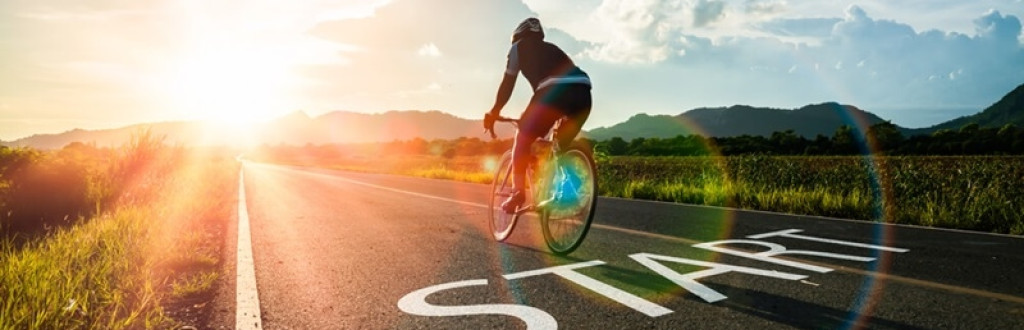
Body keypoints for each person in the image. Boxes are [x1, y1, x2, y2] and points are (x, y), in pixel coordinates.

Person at [483, 17, 592, 214]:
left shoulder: (518, 47)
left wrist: (494, 112)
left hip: (552, 91)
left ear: (518, 35)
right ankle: (567, 193)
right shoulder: (554, 49)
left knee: (523, 136)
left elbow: (508, 83)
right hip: (583, 92)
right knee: (559, 145)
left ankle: (517, 192)